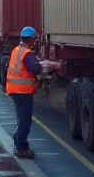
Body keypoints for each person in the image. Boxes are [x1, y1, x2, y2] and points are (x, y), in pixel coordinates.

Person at [6, 26, 59, 159]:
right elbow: (33, 68)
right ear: (30, 39)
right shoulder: (27, 53)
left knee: (20, 118)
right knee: (25, 120)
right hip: (23, 92)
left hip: (14, 90)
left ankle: (18, 141)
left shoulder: (16, 50)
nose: (34, 42)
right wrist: (43, 65)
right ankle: (21, 147)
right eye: (34, 39)